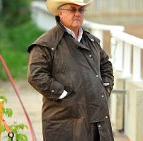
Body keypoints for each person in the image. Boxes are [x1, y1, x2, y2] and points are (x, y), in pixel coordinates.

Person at [27, 0, 114, 140]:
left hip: (98, 120)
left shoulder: (91, 41)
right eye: (72, 10)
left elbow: (106, 65)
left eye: (81, 10)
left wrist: (105, 88)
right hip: (64, 121)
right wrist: (63, 94)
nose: (77, 14)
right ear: (60, 13)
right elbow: (36, 75)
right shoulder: (46, 43)